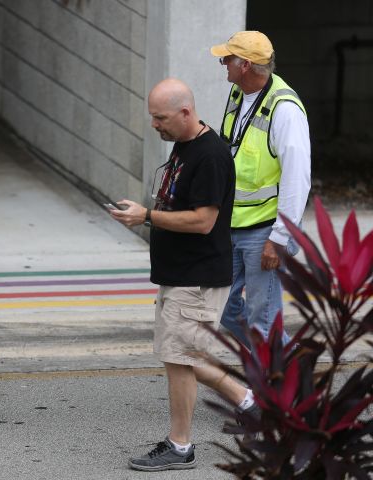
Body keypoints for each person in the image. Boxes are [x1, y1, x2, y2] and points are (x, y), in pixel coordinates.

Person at [110, 78, 258, 472]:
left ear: (185, 113)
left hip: (197, 276)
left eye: (160, 118)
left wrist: (146, 216)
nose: (155, 125)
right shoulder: (185, 144)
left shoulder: (209, 155)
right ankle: (251, 404)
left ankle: (180, 447)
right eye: (152, 117)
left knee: (178, 359)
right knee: (186, 356)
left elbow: (204, 221)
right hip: (180, 274)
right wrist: (143, 213)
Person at [210, 31, 311, 347]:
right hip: (232, 223)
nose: (222, 62)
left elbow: (298, 180)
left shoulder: (285, 110)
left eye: (228, 58)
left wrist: (278, 239)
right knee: (222, 308)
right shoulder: (239, 94)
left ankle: (270, 383)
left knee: (262, 319)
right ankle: (283, 360)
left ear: (246, 65)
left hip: (263, 232)